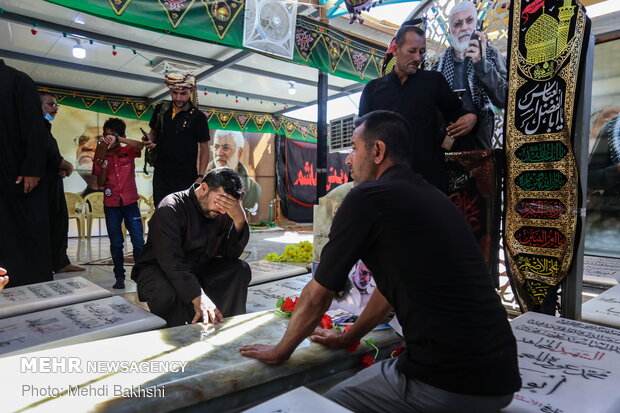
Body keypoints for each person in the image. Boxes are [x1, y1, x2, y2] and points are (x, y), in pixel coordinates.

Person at [240, 110, 520, 412]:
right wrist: (349, 336)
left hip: (445, 381)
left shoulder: (366, 197)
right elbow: (390, 288)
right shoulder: (435, 197)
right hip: (502, 377)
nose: (347, 159)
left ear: (377, 151)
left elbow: (320, 292)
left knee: (326, 402)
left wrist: (280, 350)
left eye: (353, 147)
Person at [359, 25, 477, 193]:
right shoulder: (373, 90)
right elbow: (363, 137)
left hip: (428, 181)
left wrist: (471, 118)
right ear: (395, 49)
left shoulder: (433, 82)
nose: (417, 58)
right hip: (385, 182)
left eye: (421, 52)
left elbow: (459, 113)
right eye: (412, 51)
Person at [131, 167, 251, 327]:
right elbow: (172, 262)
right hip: (161, 270)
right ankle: (179, 331)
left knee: (239, 269)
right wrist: (198, 296)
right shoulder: (171, 207)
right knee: (165, 291)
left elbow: (231, 254)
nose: (223, 209)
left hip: (200, 267)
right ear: (204, 188)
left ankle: (226, 324)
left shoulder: (223, 212)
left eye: (229, 204)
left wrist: (239, 221)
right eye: (220, 201)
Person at [0, 60, 53, 287]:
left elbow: (35, 128)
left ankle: (31, 284)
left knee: (25, 230)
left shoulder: (18, 80)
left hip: (19, 175)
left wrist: (32, 168)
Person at [432, 1, 507, 152]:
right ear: (450, 30)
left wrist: (481, 63)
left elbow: (504, 98)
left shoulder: (491, 55)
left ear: (476, 24)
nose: (464, 28)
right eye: (458, 23)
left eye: (469, 21)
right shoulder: (438, 66)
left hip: (480, 149)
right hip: (446, 148)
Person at [92, 118, 145, 289]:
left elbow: (140, 146)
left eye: (111, 135)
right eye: (105, 135)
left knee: (138, 241)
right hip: (111, 204)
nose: (108, 138)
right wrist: (104, 166)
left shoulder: (128, 150)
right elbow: (99, 183)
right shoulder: (100, 153)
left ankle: (140, 276)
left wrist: (119, 139)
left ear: (121, 136)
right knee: (116, 242)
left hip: (130, 202)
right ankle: (119, 277)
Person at [144, 73, 210, 207]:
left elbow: (204, 148)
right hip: (161, 173)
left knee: (183, 215)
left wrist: (201, 175)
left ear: (190, 91)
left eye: (183, 94)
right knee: (162, 211)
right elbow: (153, 134)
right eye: (175, 93)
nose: (179, 98)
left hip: (186, 176)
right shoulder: (160, 110)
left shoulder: (198, 117)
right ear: (170, 91)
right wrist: (148, 140)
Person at [40, 92, 85, 274]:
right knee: (52, 223)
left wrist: (60, 167)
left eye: (56, 105)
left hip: (51, 182)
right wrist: (67, 165)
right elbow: (48, 154)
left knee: (58, 222)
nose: (55, 108)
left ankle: (59, 262)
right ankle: (55, 263)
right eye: (50, 104)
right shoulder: (35, 126)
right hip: (43, 186)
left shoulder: (44, 127)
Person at [207, 130, 262, 214]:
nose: (219, 153)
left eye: (226, 148)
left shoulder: (254, 189)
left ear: (239, 153)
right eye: (216, 147)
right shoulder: (201, 183)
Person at [74, 125, 104, 197]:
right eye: (82, 140)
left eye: (100, 141)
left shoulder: (133, 204)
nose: (86, 146)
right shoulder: (69, 202)